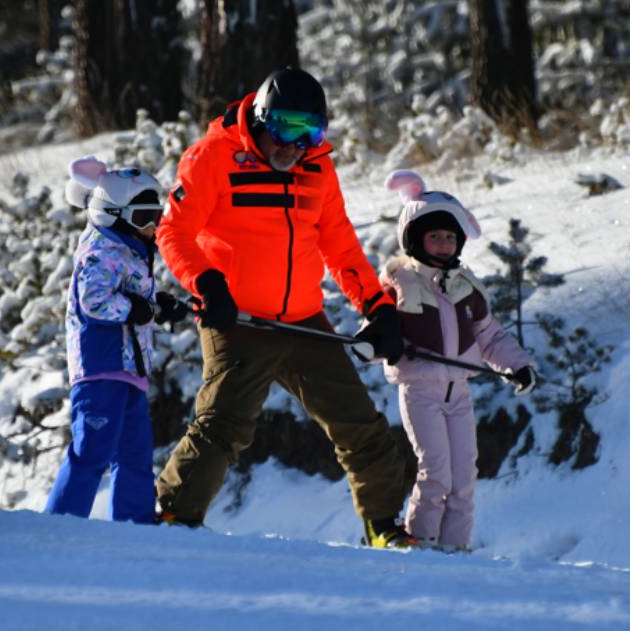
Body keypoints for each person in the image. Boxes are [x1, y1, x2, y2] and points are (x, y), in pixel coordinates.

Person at [153, 67, 416, 548]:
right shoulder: (212, 156)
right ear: (259, 120)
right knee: (223, 425)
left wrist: (377, 308)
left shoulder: (317, 166)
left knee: (361, 426)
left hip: (302, 320)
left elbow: (339, 245)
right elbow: (173, 231)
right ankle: (174, 519)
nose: (295, 144)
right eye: (285, 128)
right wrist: (208, 284)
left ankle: (384, 528)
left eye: (310, 131)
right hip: (239, 318)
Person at [375, 169, 538, 552]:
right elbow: (375, 330)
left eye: (451, 237)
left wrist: (518, 365)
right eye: (435, 236)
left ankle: (456, 549)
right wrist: (381, 344)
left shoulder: (467, 287)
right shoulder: (401, 283)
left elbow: (490, 336)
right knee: (436, 474)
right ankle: (423, 541)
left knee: (464, 478)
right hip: (421, 390)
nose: (444, 244)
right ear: (414, 238)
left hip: (459, 393)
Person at [45, 156, 189, 523]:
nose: (153, 226)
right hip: (101, 366)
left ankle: (134, 522)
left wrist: (159, 306)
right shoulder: (100, 251)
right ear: (114, 214)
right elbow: (93, 301)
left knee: (135, 453)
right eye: (144, 218)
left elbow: (131, 298)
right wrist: (137, 309)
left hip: (129, 368)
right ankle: (61, 521)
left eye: (157, 216)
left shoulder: (130, 251)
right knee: (91, 450)